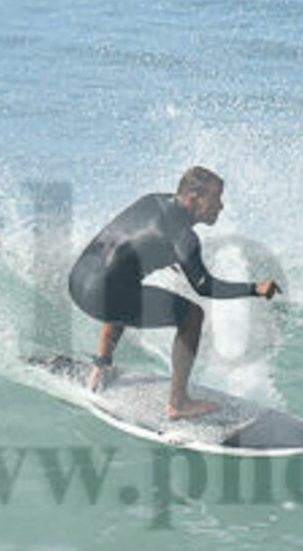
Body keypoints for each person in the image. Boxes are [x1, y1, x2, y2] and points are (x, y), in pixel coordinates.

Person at [68, 166, 280, 419]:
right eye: (215, 198)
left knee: (124, 286)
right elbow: (205, 286)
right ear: (193, 197)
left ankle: (101, 366)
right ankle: (178, 403)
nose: (220, 206)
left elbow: (128, 239)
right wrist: (255, 288)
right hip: (103, 297)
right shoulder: (183, 237)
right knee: (191, 315)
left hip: (78, 280)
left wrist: (161, 255)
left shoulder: (152, 200)